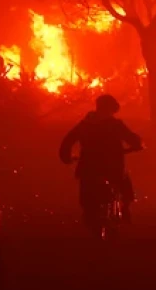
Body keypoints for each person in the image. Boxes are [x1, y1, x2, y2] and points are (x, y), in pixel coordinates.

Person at [58, 94, 142, 226]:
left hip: (88, 166)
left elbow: (67, 141)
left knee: (86, 191)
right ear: (112, 109)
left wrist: (66, 157)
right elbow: (132, 139)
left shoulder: (84, 125)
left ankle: (89, 214)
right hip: (112, 166)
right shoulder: (115, 125)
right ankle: (125, 208)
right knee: (124, 183)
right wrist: (137, 145)